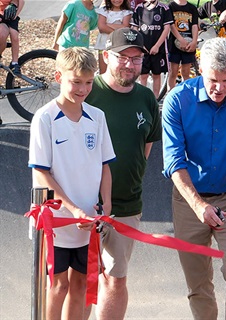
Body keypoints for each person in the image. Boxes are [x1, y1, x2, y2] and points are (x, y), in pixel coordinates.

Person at [162, 37, 226, 320]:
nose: (219, 88)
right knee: (197, 282)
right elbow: (173, 160)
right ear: (199, 69)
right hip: (189, 199)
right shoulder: (177, 99)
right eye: (212, 80)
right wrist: (198, 206)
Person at [28, 47, 116, 319]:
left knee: (81, 284)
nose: (83, 89)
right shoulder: (44, 118)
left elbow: (105, 165)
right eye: (76, 81)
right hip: (56, 222)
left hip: (88, 221)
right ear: (58, 77)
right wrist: (72, 209)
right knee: (57, 286)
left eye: (88, 82)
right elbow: (42, 173)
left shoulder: (97, 117)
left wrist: (105, 206)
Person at [85, 27, 162, 319]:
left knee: (115, 278)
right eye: (122, 57)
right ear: (106, 56)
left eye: (136, 58)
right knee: (82, 277)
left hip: (127, 206)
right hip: (84, 206)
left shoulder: (146, 99)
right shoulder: (88, 92)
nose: (129, 64)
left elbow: (145, 148)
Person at [131, 0, 173, 99]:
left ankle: (155, 99)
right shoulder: (139, 8)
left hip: (158, 49)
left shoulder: (164, 8)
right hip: (143, 48)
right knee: (143, 75)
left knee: (156, 74)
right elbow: (135, 28)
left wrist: (157, 45)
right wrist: (141, 45)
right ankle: (141, 98)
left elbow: (166, 29)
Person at [167, 0, 199, 91]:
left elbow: (194, 25)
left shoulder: (192, 8)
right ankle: (171, 93)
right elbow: (171, 25)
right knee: (173, 72)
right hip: (174, 43)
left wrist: (194, 41)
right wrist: (180, 39)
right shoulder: (170, 6)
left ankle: (186, 93)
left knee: (186, 72)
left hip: (189, 44)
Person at [94, 0, 133, 74]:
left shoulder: (126, 12)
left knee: (117, 71)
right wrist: (118, 29)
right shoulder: (103, 10)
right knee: (103, 72)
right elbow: (101, 28)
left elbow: (125, 27)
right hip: (103, 44)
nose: (117, 0)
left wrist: (107, 24)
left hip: (119, 45)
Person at [0, 0, 24, 74]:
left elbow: (21, 2)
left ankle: (14, 62)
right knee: (1, 35)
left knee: (14, 36)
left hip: (11, 14)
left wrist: (16, 15)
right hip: (1, 14)